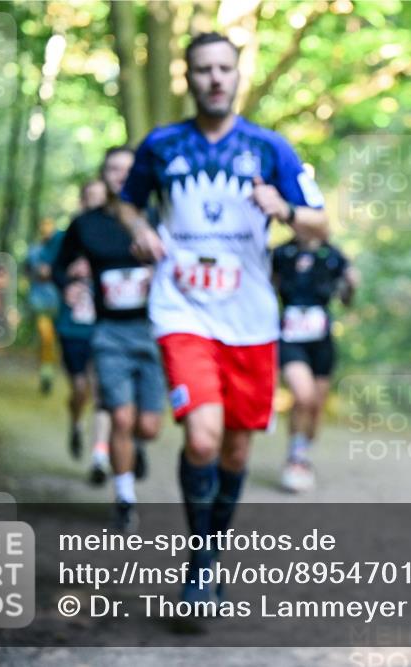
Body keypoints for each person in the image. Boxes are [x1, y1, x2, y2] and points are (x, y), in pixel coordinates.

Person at [118, 32, 328, 607]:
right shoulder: (160, 145)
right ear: (188, 78)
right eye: (203, 69)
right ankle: (200, 562)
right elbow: (129, 201)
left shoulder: (270, 149)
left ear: (238, 76)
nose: (215, 78)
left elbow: (320, 225)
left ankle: (211, 552)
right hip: (182, 308)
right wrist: (138, 230)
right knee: (204, 438)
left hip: (252, 317)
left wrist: (284, 210)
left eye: (224, 69)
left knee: (236, 451)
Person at [54, 147, 165, 531]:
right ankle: (124, 496)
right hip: (109, 332)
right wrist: (68, 283)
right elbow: (59, 265)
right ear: (103, 176)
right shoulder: (85, 224)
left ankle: (134, 447)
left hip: (154, 331)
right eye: (113, 169)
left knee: (147, 427)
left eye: (128, 169)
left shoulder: (159, 217)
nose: (120, 175)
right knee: (119, 415)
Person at [272, 233, 358, 492]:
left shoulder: (333, 256)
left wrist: (351, 285)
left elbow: (346, 300)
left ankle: (303, 452)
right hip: (289, 337)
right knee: (303, 395)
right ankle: (295, 459)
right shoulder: (280, 254)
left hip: (321, 340)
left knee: (316, 406)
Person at [51, 179, 111, 472]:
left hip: (105, 328)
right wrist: (67, 281)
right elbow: (52, 270)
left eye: (102, 199)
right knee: (79, 389)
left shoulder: (116, 233)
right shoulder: (67, 237)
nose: (96, 205)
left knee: (102, 392)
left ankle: (99, 456)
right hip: (72, 327)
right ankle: (76, 423)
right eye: (91, 199)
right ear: (81, 202)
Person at [25, 219, 62, 394]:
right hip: (40, 302)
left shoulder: (61, 250)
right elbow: (29, 271)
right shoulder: (34, 251)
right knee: (46, 337)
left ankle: (49, 369)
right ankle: (46, 372)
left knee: (55, 339)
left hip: (60, 303)